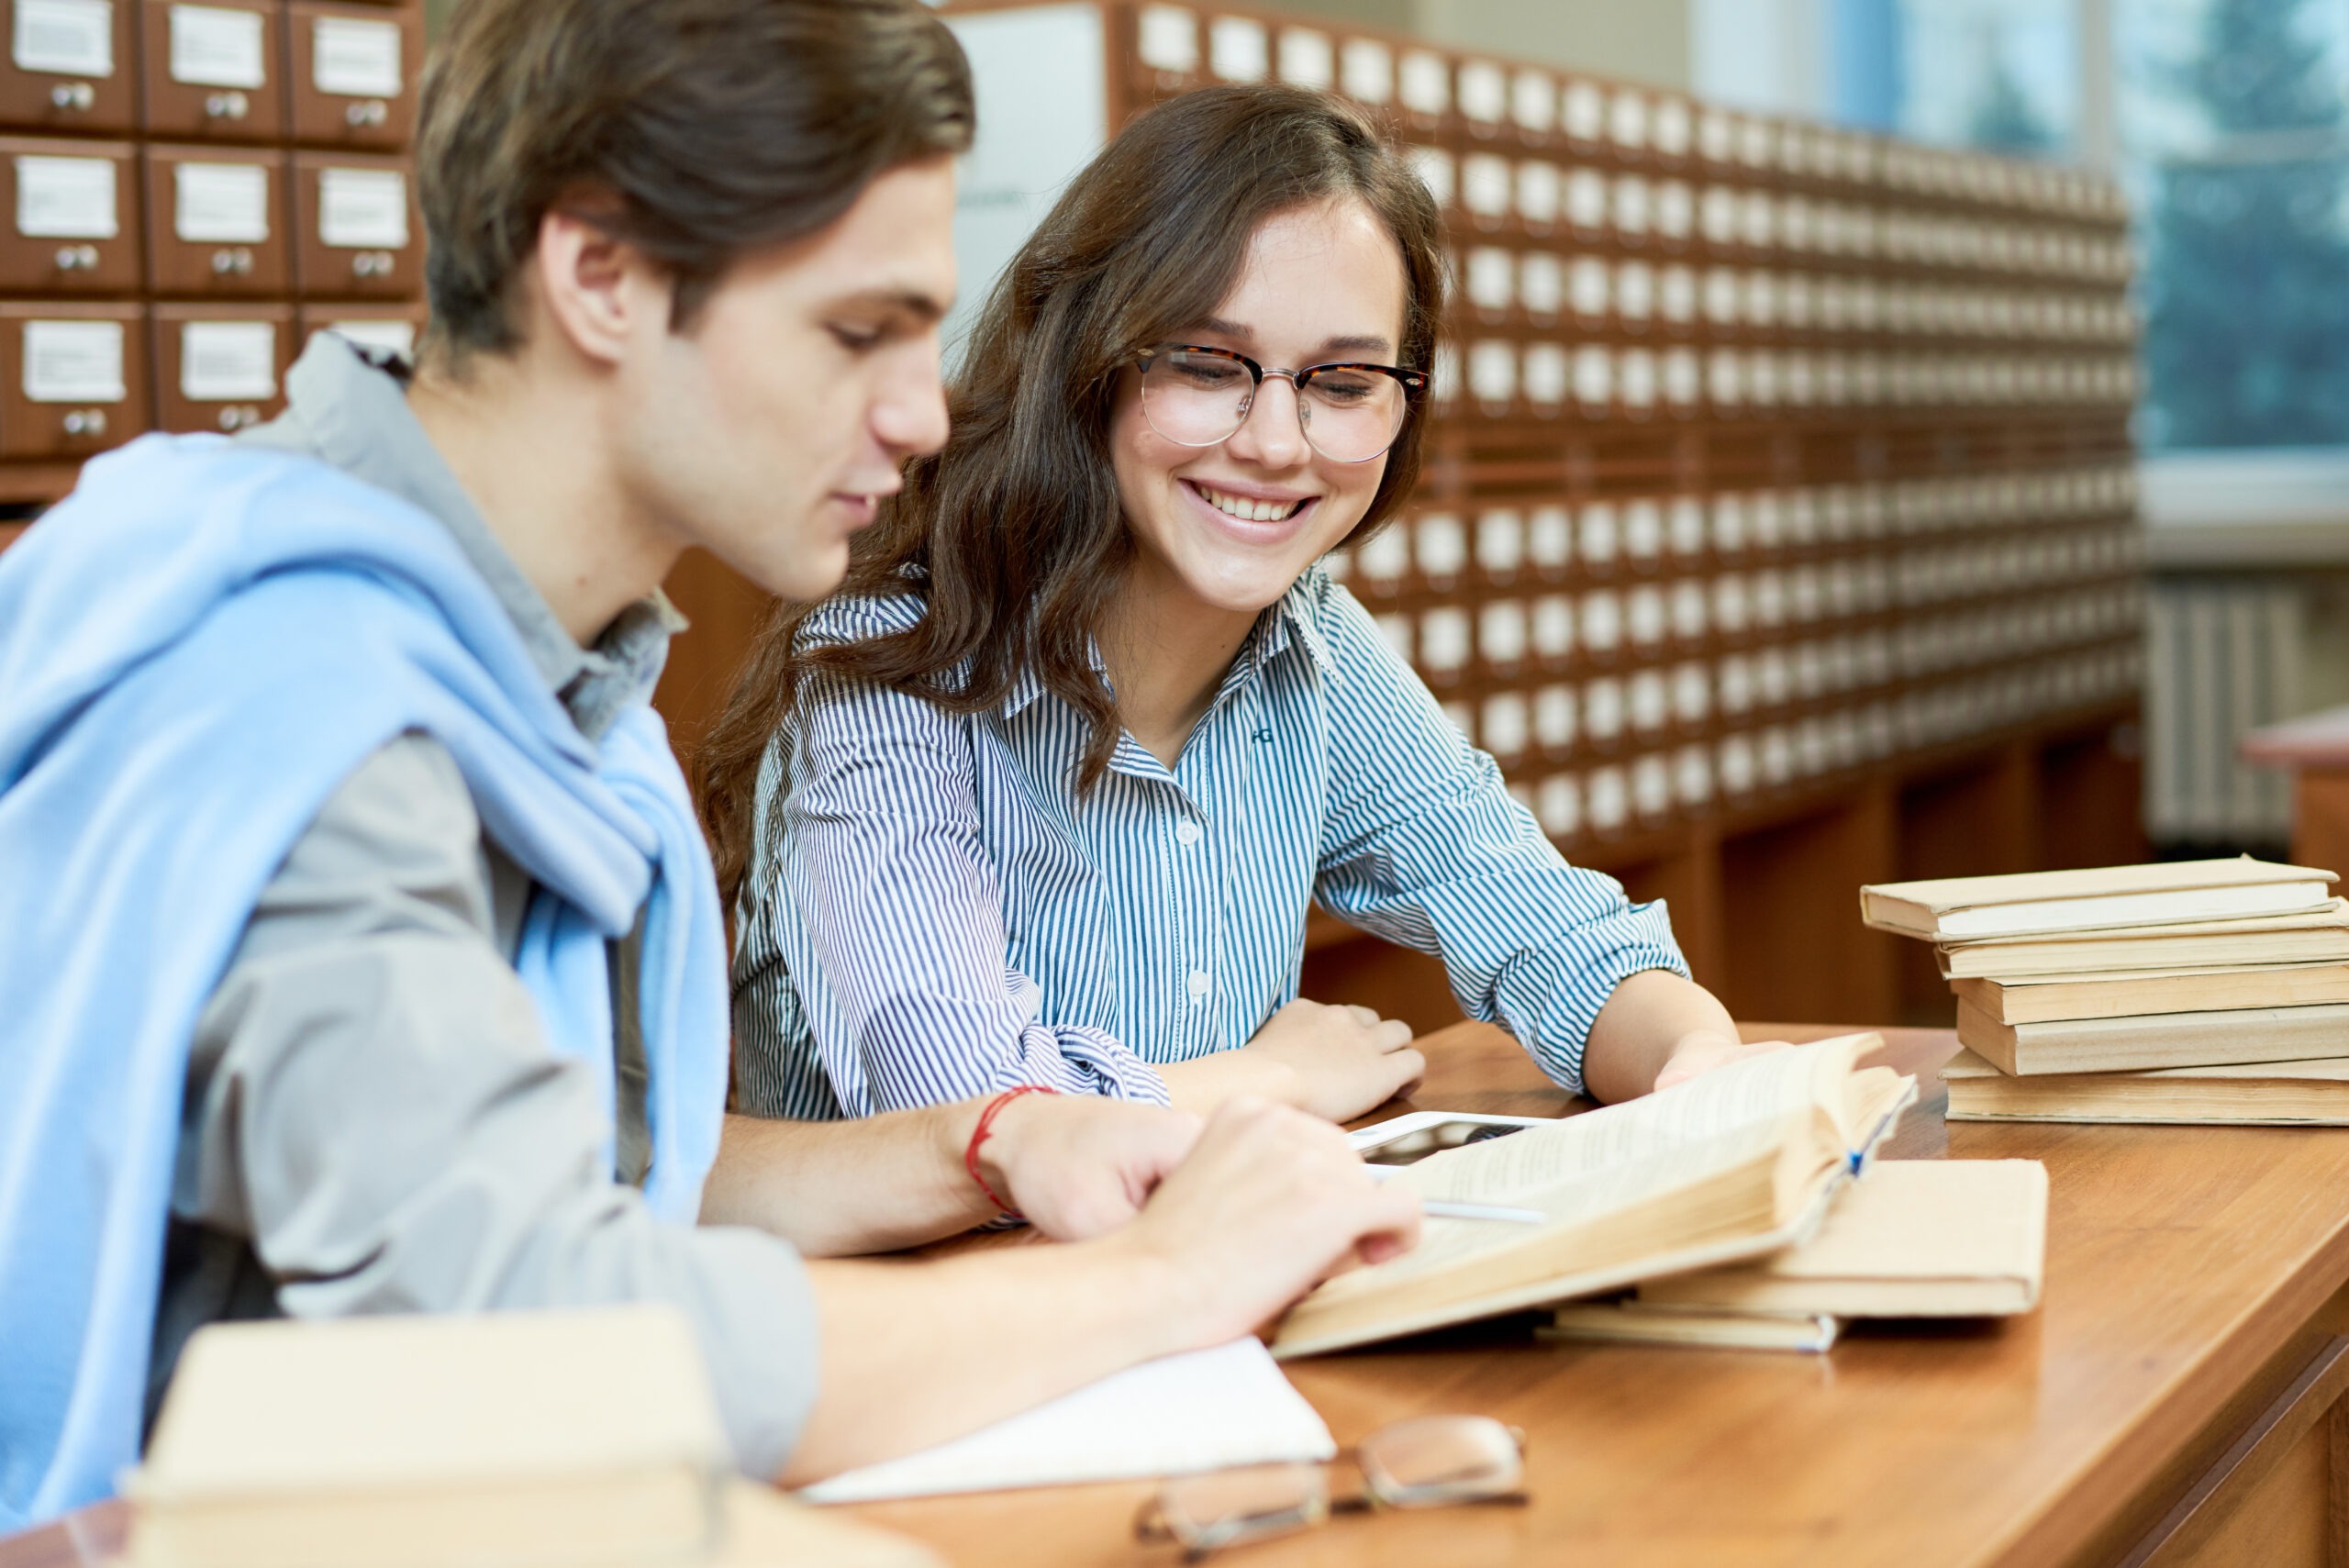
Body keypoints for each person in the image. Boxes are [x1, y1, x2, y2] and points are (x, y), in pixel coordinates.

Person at [0, 0, 1423, 1535]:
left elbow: (613, 1167)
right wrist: (1164, 1279)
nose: (924, 410)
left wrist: (997, 1139)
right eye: (856, 329)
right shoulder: (293, 696)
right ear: (601, 273)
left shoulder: (550, 661)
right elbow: (541, 1333)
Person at [706, 84, 1788, 1129]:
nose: (1276, 442)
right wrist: (1263, 1079)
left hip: (1210, 1280)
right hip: (947, 1309)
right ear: (1089, 361)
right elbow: (962, 1112)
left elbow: (1547, 928)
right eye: (1208, 363)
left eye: (1344, 382)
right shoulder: (887, 668)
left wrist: (1693, 1057)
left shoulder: (1312, 641)